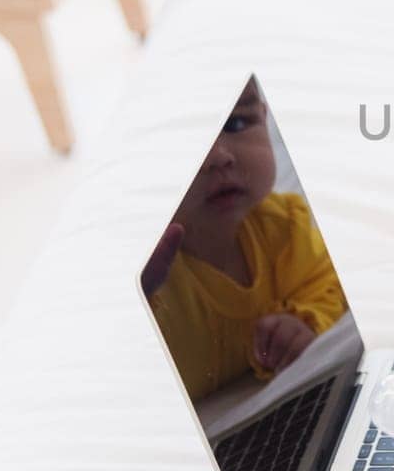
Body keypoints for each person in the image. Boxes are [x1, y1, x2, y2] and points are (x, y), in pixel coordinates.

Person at [143, 78, 347, 400]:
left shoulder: (285, 225)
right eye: (186, 142)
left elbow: (326, 281)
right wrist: (140, 295)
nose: (218, 157)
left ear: (264, 119)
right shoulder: (150, 271)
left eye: (237, 123)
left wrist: (304, 321)